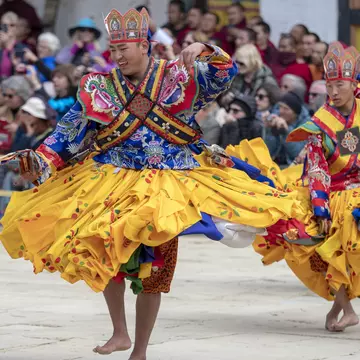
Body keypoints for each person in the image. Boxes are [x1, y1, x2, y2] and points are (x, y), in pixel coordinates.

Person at [0, 8, 303, 359]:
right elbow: (68, 131)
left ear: (145, 46)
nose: (117, 56)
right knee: (102, 248)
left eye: (124, 48)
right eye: (113, 49)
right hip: (111, 177)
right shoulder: (100, 87)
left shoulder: (180, 75)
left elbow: (226, 74)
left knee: (156, 267)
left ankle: (140, 349)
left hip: (167, 184)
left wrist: (205, 48)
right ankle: (119, 332)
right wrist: (40, 159)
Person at [256, 42, 360, 332]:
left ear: (353, 84)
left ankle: (341, 308)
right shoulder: (319, 125)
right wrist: (320, 209)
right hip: (336, 194)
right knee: (329, 249)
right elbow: (317, 169)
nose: (334, 91)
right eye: (329, 85)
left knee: (349, 253)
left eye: (340, 84)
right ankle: (347, 309)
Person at [264, 91, 307, 167]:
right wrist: (268, 129)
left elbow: (297, 153)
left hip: (292, 166)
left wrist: (287, 131)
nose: (281, 111)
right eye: (280, 106)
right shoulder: (275, 116)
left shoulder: (306, 125)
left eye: (286, 109)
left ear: (295, 113)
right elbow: (268, 151)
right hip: (274, 163)